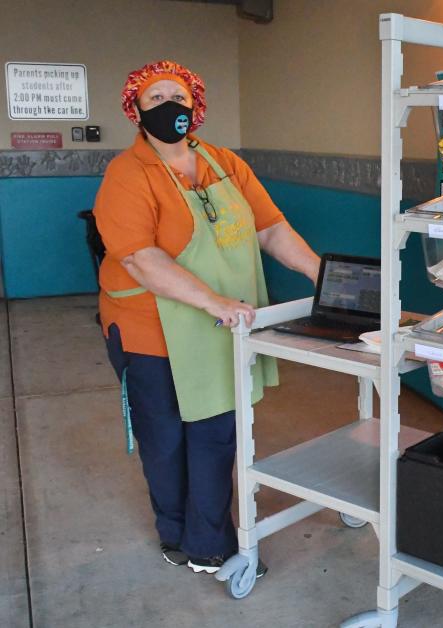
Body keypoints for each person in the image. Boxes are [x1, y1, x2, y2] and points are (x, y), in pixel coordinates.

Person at [94, 60, 321, 576]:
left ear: (196, 104)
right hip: (151, 329)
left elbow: (271, 229)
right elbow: (140, 259)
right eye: (156, 99)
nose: (170, 106)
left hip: (223, 326)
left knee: (218, 433)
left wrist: (322, 277)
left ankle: (210, 540)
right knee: (168, 437)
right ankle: (177, 533)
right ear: (136, 110)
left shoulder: (223, 163)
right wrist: (216, 304)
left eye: (179, 96)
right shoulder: (128, 174)